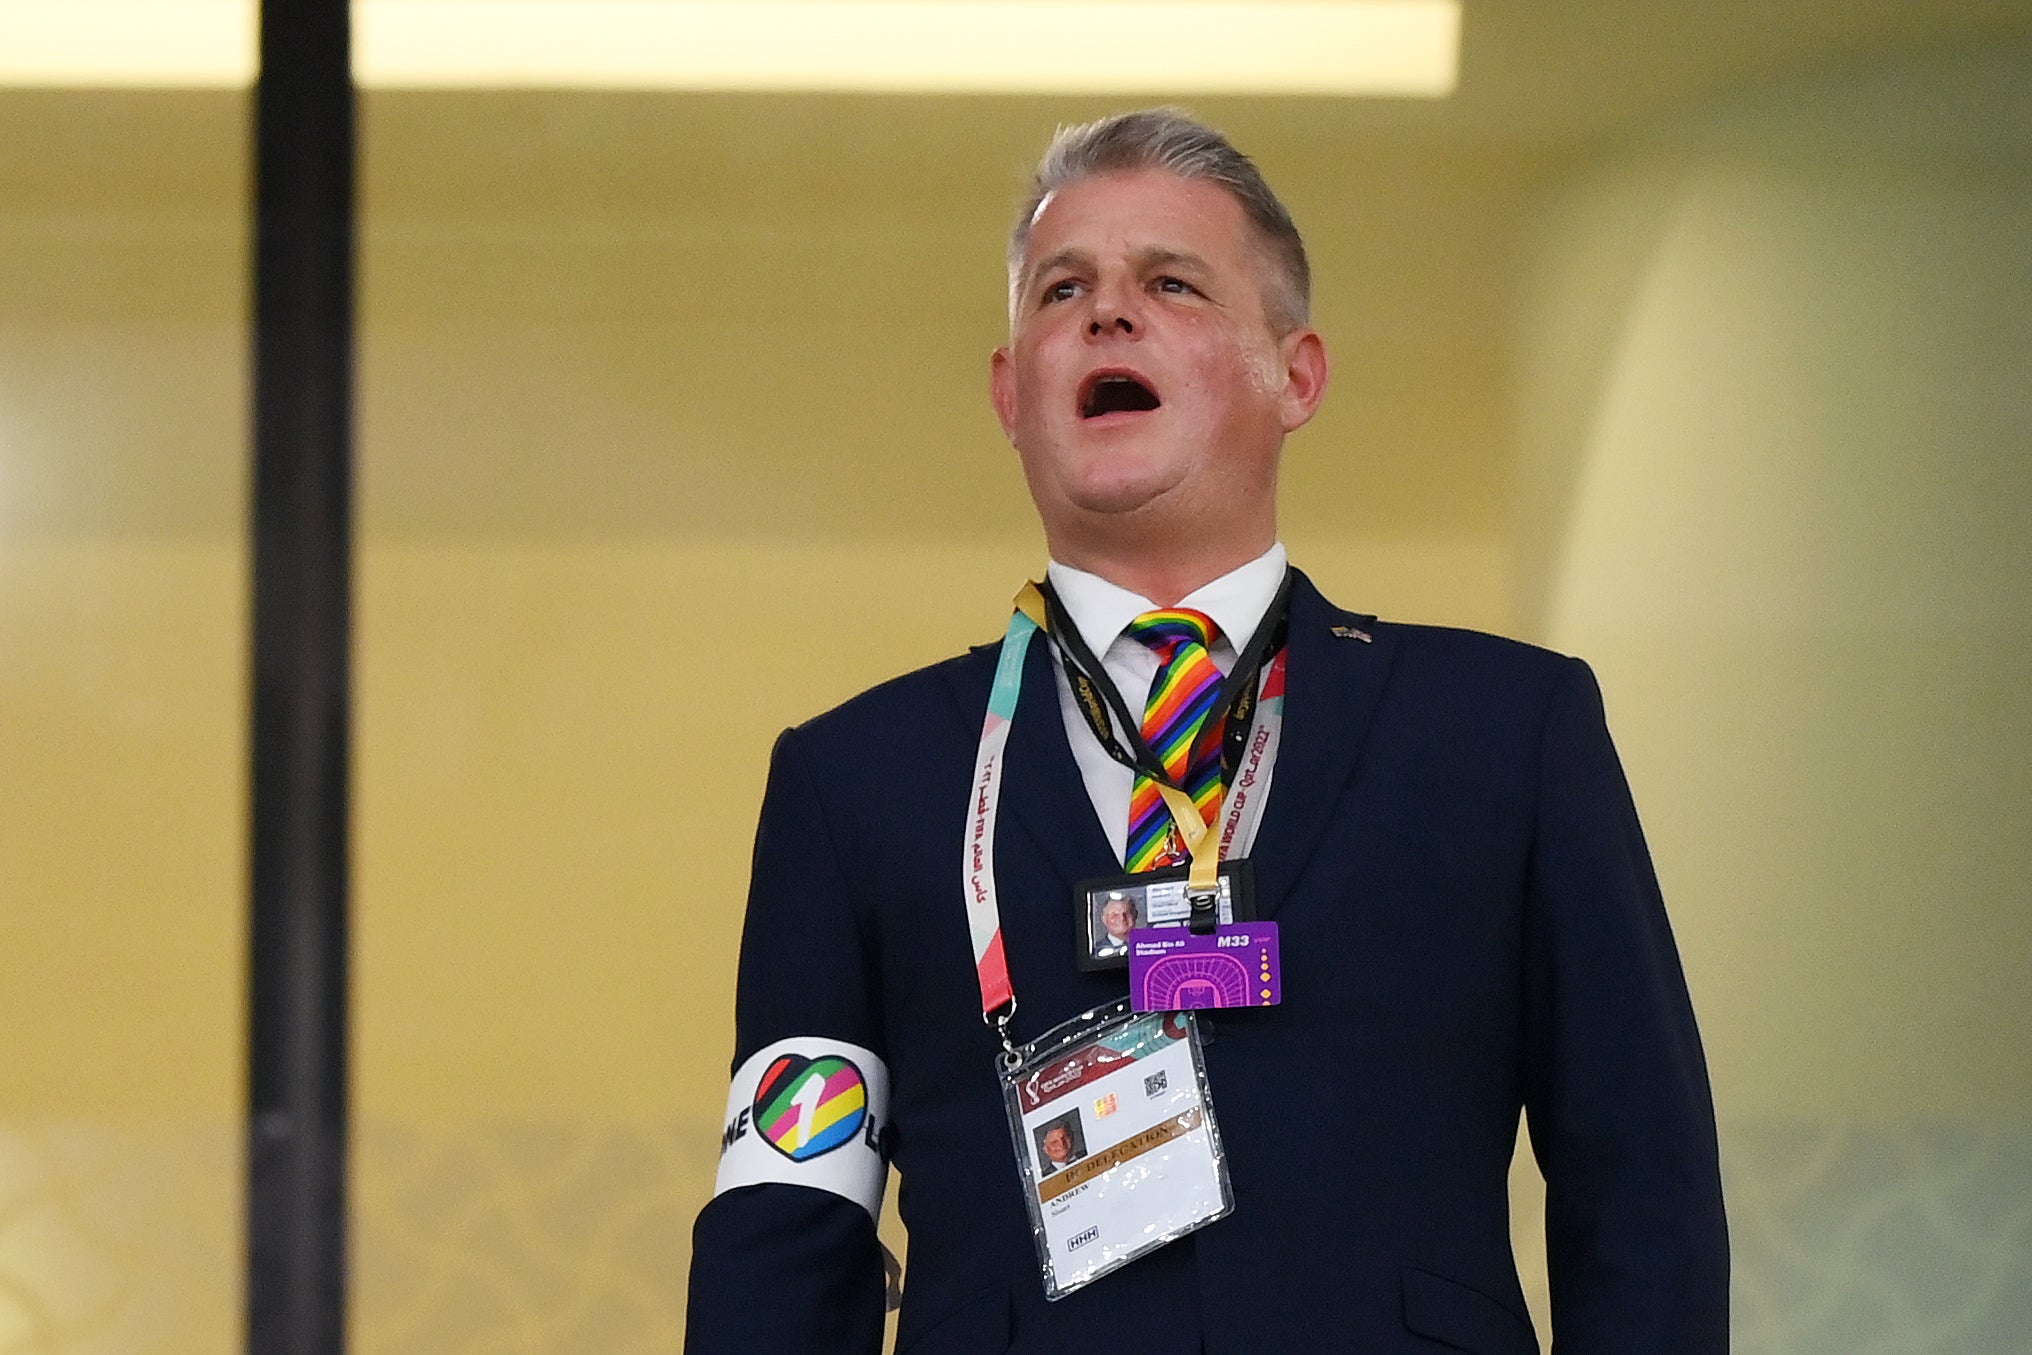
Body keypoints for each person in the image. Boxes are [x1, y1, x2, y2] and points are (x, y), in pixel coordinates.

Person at [687, 109, 1727, 1354]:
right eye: (1062, 288)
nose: (1106, 313)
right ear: (1012, 395)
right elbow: (788, 1217)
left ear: (1295, 375)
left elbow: (1642, 1194)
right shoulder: (857, 779)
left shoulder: (1506, 732)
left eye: (1168, 283)